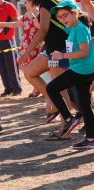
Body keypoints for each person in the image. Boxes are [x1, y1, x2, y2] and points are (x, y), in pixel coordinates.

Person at [18, 0, 75, 124]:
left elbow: (43, 30)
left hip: (58, 50)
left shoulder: (46, 3)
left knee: (59, 88)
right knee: (29, 72)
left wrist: (26, 53)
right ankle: (56, 105)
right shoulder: (51, 2)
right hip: (52, 50)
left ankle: (66, 126)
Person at [47, 0, 94, 149]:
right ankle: (91, 140)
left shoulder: (79, 28)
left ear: (75, 13)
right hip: (84, 69)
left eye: (65, 15)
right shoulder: (73, 28)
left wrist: (62, 56)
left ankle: (69, 119)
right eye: (59, 17)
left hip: (82, 69)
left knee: (51, 88)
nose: (62, 19)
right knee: (85, 105)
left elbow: (84, 52)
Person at [0, 0, 41, 98]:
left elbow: (40, 27)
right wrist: (3, 24)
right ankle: (37, 85)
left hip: (35, 44)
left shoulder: (39, 12)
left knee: (34, 66)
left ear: (32, 2)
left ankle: (37, 88)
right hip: (26, 43)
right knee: (22, 64)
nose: (25, 4)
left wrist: (33, 16)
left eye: (26, 2)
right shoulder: (26, 14)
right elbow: (16, 24)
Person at [0, 0, 22, 97]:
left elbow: (17, 21)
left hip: (7, 39)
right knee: (1, 66)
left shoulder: (9, 6)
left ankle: (17, 88)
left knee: (11, 65)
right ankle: (8, 88)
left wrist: (3, 24)